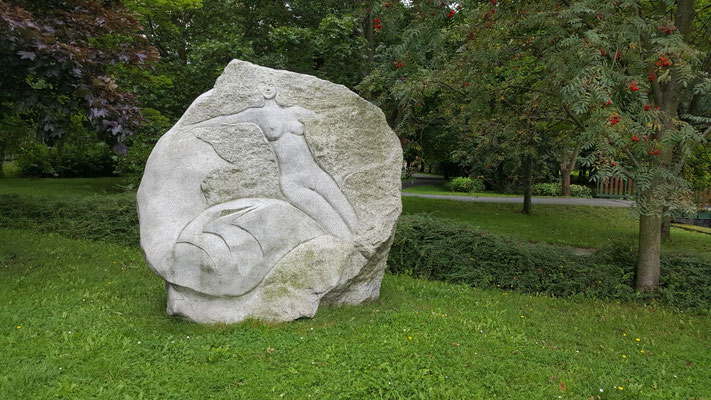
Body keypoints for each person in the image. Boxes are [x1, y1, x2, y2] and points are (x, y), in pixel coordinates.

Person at [191, 83, 358, 241]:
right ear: (258, 89)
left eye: (271, 84)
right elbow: (226, 119)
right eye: (263, 84)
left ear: (277, 88)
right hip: (292, 181)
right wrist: (191, 125)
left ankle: (365, 241)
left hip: (315, 172)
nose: (268, 87)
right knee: (331, 222)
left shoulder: (295, 110)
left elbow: (326, 118)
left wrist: (354, 113)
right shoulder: (257, 113)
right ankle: (354, 250)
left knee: (348, 212)